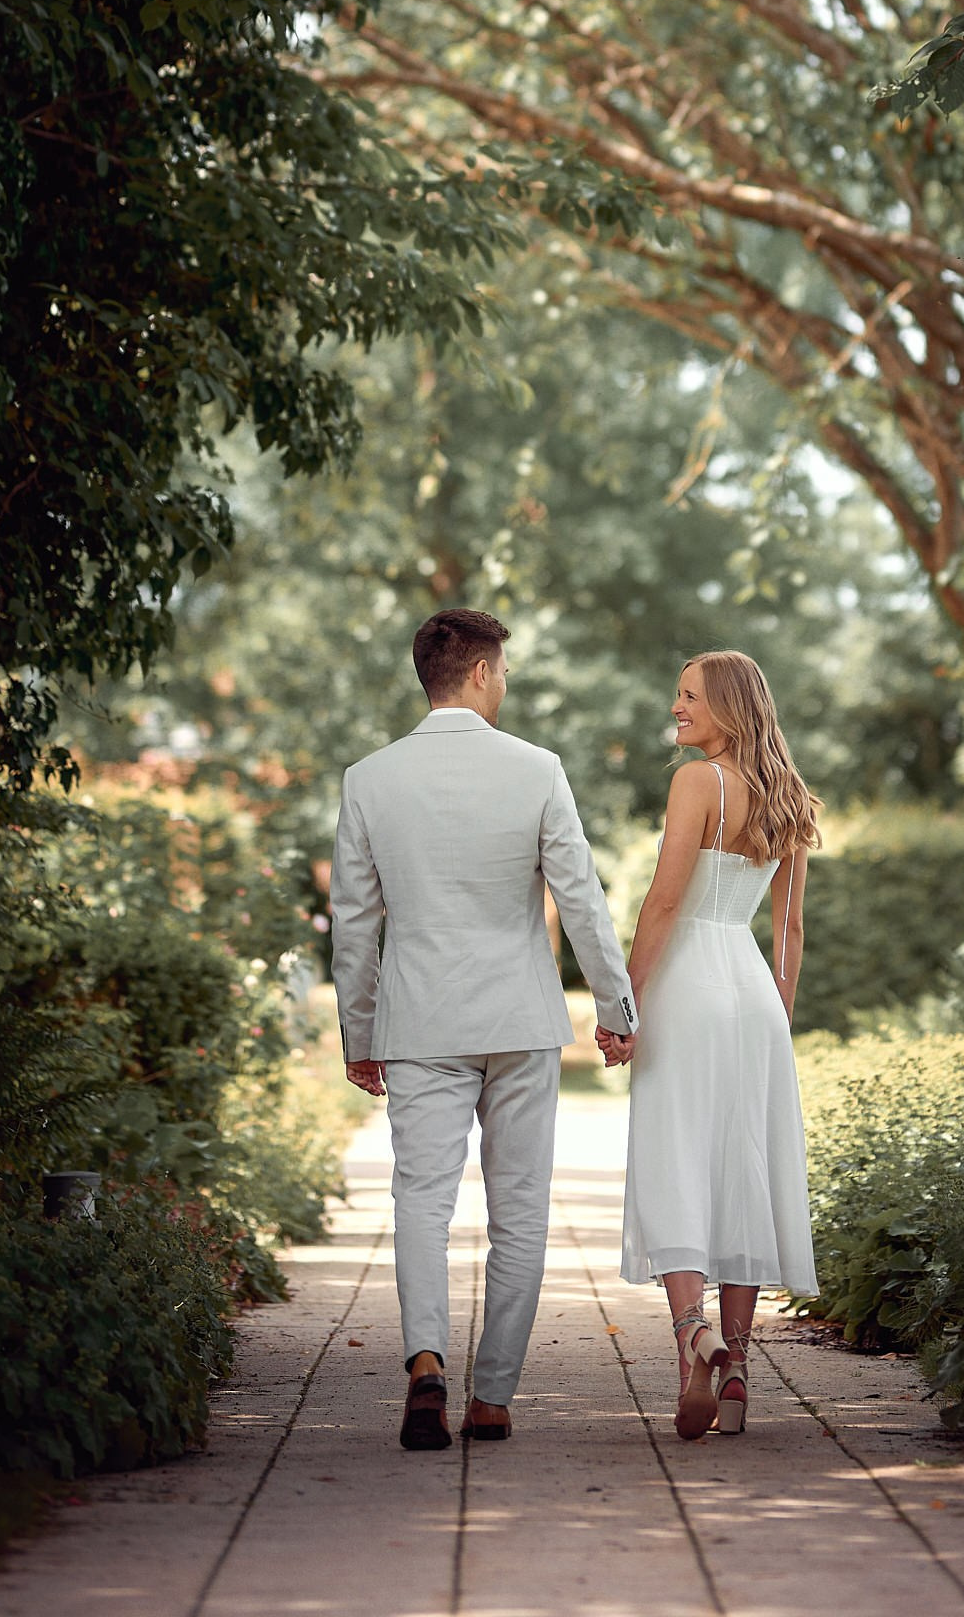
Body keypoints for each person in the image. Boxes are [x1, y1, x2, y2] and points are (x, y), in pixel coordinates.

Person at [330, 609, 637, 1451]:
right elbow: (581, 899)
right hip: (518, 1019)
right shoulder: (536, 769)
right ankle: (492, 1396)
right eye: (500, 671)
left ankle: (425, 1362)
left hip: (420, 1019)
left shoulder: (369, 778)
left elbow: (353, 922)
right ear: (476, 674)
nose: (504, 684)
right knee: (519, 1210)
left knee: (421, 1202)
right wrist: (615, 1011)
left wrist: (359, 1034)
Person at [604, 650, 819, 1441]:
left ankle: (693, 1331)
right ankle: (736, 1372)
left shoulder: (698, 782)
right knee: (741, 1167)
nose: (675, 707)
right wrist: (776, 1017)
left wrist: (622, 1000)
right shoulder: (789, 794)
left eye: (689, 696)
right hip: (754, 996)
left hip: (689, 986)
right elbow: (788, 931)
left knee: (676, 1157)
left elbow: (664, 901)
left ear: (727, 705)